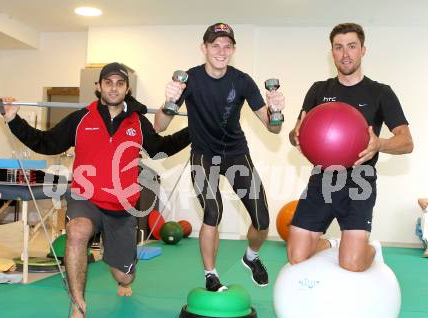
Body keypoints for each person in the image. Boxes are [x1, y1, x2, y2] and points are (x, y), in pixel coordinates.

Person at [1, 62, 190, 318]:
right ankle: (78, 306)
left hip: (122, 207)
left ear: (127, 89)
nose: (113, 87)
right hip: (85, 198)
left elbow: (161, 148)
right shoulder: (80, 118)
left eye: (119, 83)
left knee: (124, 277)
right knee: (76, 231)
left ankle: (123, 275)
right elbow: (46, 142)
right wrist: (12, 119)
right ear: (98, 86)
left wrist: (196, 130)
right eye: (108, 82)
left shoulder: (138, 121)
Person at [154, 23, 285, 292]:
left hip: (236, 155)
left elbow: (273, 128)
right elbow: (160, 126)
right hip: (204, 155)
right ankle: (211, 274)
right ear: (204, 48)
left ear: (233, 50)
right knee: (213, 212)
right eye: (215, 45)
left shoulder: (242, 81)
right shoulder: (189, 79)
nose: (221, 51)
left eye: (227, 46)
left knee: (262, 220)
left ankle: (252, 257)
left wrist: (276, 111)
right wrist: (168, 101)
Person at [288, 23, 413, 271]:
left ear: (363, 50)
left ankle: (370, 249)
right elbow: (296, 133)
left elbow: (407, 142)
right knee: (296, 256)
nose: (345, 54)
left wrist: (380, 144)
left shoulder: (380, 92)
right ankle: (332, 244)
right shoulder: (318, 90)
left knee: (352, 263)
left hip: (360, 180)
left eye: (352, 46)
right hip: (322, 178)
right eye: (339, 47)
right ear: (332, 52)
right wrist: (296, 135)